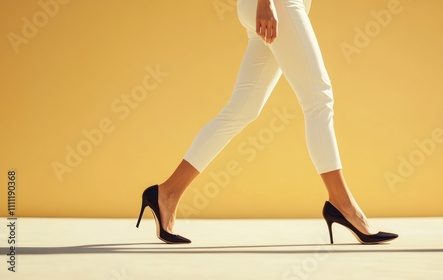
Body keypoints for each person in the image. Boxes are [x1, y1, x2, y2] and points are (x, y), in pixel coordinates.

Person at [135, 0, 398, 244]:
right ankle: (343, 204)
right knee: (319, 99)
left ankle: (167, 193)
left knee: (242, 109)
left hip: (281, 5)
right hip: (278, 4)